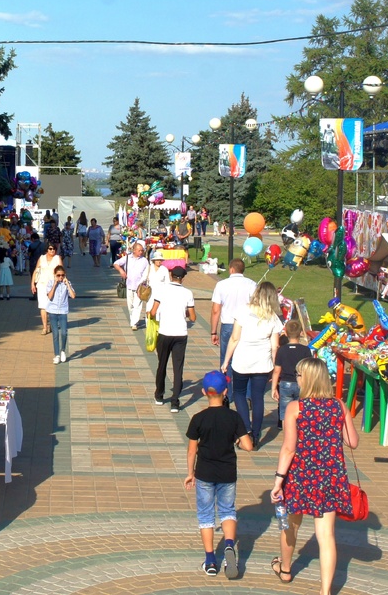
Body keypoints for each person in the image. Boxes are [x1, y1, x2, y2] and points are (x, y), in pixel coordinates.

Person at [270, 358, 359, 592]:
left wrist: (278, 481)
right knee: (326, 535)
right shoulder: (338, 405)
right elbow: (352, 441)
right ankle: (325, 590)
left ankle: (285, 569)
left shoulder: (296, 408)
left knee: (290, 524)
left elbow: (289, 449)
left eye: (299, 375)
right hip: (330, 476)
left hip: (300, 476)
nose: (297, 379)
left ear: (307, 379)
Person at [185, 370, 253, 578]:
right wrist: (237, 440)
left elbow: (191, 450)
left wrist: (190, 473)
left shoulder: (198, 419)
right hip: (227, 472)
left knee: (206, 514)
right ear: (225, 392)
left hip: (204, 473)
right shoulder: (234, 417)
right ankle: (230, 545)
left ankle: (210, 560)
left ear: (204, 392)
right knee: (227, 510)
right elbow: (248, 446)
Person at [221, 281, 283, 446]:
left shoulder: (242, 311)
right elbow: (275, 346)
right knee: (257, 398)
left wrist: (226, 361)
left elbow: (234, 338)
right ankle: (255, 435)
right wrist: (275, 366)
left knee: (239, 394)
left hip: (242, 361)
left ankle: (246, 429)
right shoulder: (273, 318)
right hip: (262, 363)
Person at [150, 265, 196, 413]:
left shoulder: (162, 289)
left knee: (162, 365)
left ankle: (159, 395)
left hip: (164, 333)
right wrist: (184, 313)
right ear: (183, 278)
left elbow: (153, 311)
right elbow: (193, 317)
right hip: (180, 334)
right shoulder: (188, 293)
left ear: (171, 276)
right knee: (178, 367)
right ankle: (175, 402)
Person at [209, 258, 257, 368]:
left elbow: (216, 310)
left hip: (228, 324)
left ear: (231, 269)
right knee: (244, 358)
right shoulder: (252, 284)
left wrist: (213, 332)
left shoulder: (221, 284)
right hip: (245, 325)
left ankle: (226, 378)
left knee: (226, 358)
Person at [272, 320, 312, 428]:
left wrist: (274, 387)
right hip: (301, 384)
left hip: (285, 383)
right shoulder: (305, 350)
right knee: (301, 409)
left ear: (285, 333)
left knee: (285, 412)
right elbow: (309, 370)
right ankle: (299, 430)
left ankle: (287, 433)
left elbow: (277, 370)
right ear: (301, 333)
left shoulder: (281, 350)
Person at [114, 240, 151, 330]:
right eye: (139, 250)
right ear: (134, 250)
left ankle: (134, 323)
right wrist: (121, 271)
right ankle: (133, 319)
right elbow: (116, 263)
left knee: (137, 305)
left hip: (140, 287)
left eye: (142, 250)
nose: (141, 252)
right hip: (129, 285)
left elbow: (145, 274)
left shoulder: (144, 261)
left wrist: (141, 283)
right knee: (130, 305)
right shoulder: (127, 258)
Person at [45, 266, 76, 363]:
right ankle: (57, 355)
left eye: (62, 275)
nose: (60, 277)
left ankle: (62, 350)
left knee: (64, 332)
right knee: (55, 333)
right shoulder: (50, 283)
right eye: (58, 275)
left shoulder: (67, 283)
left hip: (63, 311)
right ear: (55, 275)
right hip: (53, 311)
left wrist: (68, 285)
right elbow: (50, 297)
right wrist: (54, 285)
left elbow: (73, 296)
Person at [32, 243, 64, 335]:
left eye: (54, 249)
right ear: (47, 250)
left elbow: (62, 272)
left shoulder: (57, 258)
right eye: (50, 249)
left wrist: (63, 283)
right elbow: (36, 270)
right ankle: (45, 327)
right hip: (42, 284)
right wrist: (32, 283)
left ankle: (51, 325)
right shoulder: (42, 258)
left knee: (52, 306)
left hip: (54, 285)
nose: (52, 250)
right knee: (43, 306)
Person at [26, 232, 45, 298]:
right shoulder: (44, 245)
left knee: (34, 278)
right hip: (43, 263)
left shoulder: (31, 245)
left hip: (33, 263)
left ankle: (35, 294)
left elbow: (29, 254)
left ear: (33, 239)